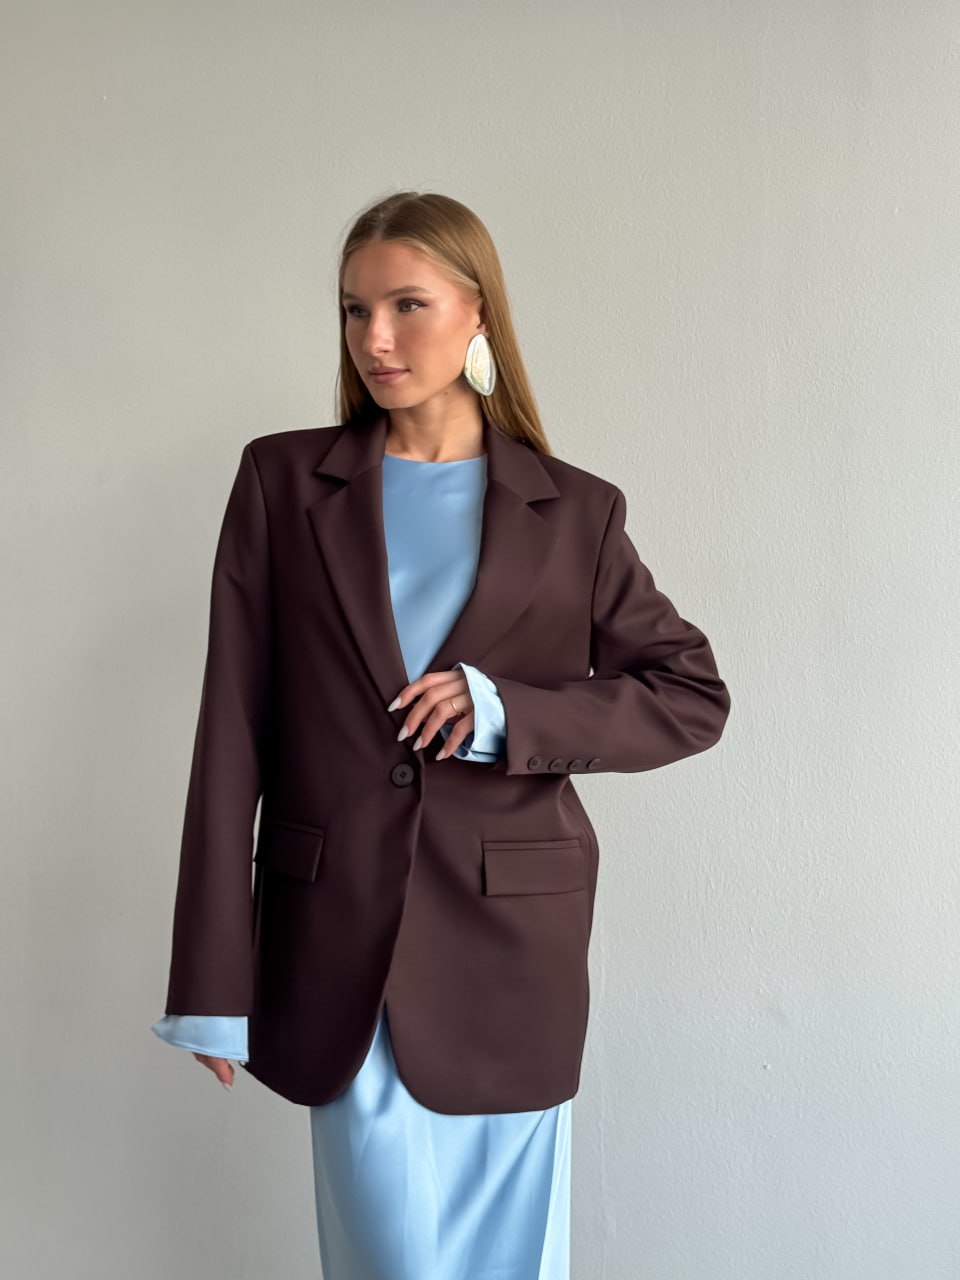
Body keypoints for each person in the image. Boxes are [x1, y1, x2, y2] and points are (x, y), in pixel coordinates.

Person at [151, 190, 731, 1279]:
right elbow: (232, 732)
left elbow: (691, 694)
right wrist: (211, 986)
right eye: (353, 309)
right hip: (339, 949)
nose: (375, 338)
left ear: (478, 315)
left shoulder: (577, 511)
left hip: (513, 956)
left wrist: (505, 710)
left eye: (406, 305)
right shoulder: (283, 482)